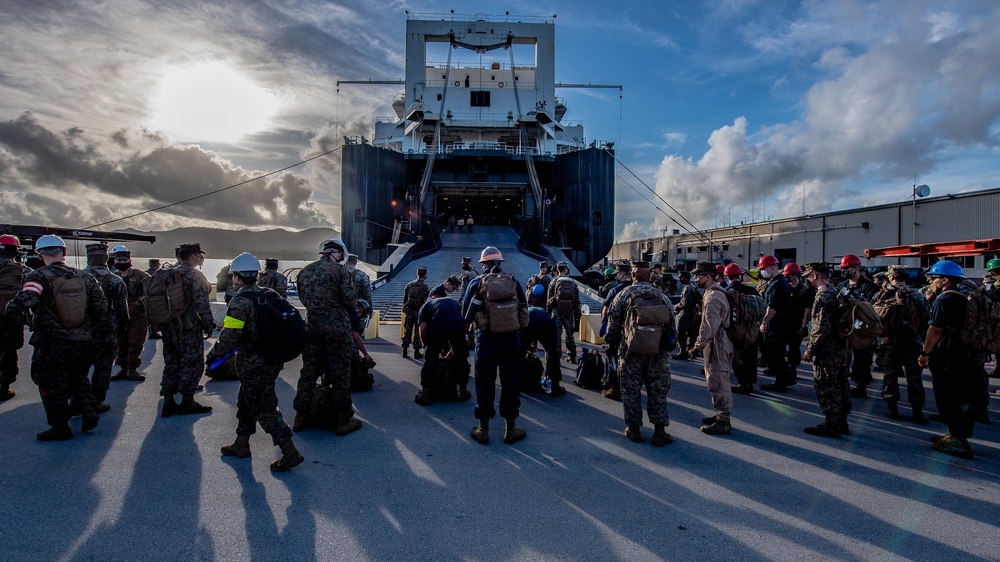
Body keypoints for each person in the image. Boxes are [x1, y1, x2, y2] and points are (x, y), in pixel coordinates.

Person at [206, 252, 303, 472]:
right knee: (246, 399)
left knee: (264, 407)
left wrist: (213, 356)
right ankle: (241, 443)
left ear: (237, 278)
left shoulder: (240, 302)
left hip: (253, 363)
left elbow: (229, 338)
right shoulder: (269, 294)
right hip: (272, 359)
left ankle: (290, 452)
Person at [4, 235, 107, 440]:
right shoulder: (84, 277)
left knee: (48, 382)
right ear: (64, 252)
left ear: (40, 254)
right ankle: (87, 409)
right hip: (82, 339)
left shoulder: (38, 277)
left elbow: (28, 300)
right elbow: (101, 306)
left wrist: (11, 311)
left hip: (51, 341)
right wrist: (84, 326)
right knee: (78, 375)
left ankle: (60, 427)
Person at [292, 239, 361, 435]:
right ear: (338, 254)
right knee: (340, 372)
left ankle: (300, 416)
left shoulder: (305, 271)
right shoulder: (340, 272)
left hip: (312, 327)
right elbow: (350, 300)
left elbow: (303, 299)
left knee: (309, 371)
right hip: (336, 329)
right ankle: (343, 418)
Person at [462, 246, 529, 445]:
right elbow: (524, 309)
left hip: (487, 339)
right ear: (500, 263)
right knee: (511, 382)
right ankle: (511, 428)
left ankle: (483, 429)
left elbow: (465, 313)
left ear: (484, 265)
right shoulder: (513, 282)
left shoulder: (476, 282)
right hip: (511, 339)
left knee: (485, 382)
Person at [605, 260, 675, 446]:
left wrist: (611, 346)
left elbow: (613, 325)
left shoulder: (623, 295)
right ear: (649, 274)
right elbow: (672, 324)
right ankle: (660, 431)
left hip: (630, 352)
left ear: (633, 275)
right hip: (657, 353)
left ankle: (634, 429)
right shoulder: (661, 296)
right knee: (657, 390)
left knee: (630, 390)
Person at [918, 261, 978, 459]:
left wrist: (925, 353)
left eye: (934, 278)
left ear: (945, 280)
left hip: (948, 356)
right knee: (961, 395)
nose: (931, 281)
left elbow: (935, 329)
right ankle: (955, 435)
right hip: (966, 355)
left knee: (947, 395)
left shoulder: (943, 301)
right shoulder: (963, 298)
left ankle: (959, 441)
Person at [157, 244, 215, 417]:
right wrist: (208, 324)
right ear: (194, 257)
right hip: (188, 327)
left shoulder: (167, 273)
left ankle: (168, 401)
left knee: (171, 362)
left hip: (168, 326)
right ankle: (187, 401)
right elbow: (202, 303)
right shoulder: (194, 275)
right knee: (193, 363)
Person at [801, 263, 852, 438]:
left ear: (815, 275)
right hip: (842, 349)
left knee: (826, 386)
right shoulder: (837, 291)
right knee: (841, 384)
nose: (808, 280)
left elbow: (820, 329)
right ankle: (842, 421)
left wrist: (810, 349)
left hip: (828, 351)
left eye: (809, 276)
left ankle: (831, 424)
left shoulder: (822, 297)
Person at [81, 243, 129, 414]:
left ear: (89, 257)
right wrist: (122, 327)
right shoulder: (115, 280)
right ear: (107, 258)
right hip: (106, 329)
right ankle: (97, 401)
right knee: (103, 367)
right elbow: (122, 309)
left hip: (80, 329)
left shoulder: (77, 277)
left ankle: (80, 399)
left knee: (79, 367)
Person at [692, 261, 734, 435]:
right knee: (715, 380)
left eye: (698, 276)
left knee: (719, 381)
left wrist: (697, 346)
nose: (696, 279)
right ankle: (720, 415)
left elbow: (710, 325)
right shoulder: (714, 293)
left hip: (718, 344)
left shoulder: (713, 297)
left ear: (707, 277)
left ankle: (723, 421)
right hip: (719, 343)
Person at [836, 254, 881, 398]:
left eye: (846, 268)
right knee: (843, 358)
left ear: (856, 268)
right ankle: (843, 382)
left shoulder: (870, 287)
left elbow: (873, 310)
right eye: (842, 268)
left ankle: (861, 386)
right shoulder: (841, 286)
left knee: (862, 359)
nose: (843, 271)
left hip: (862, 330)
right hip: (845, 328)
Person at [415, 293, 471, 405]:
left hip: (438, 327)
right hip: (458, 327)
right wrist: (453, 351)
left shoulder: (425, 307)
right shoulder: (454, 302)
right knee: (462, 359)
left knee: (430, 360)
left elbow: (423, 330)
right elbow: (460, 323)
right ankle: (463, 391)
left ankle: (425, 393)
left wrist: (427, 345)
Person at [110, 245, 150, 382]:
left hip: (138, 315)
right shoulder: (113, 277)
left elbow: (149, 291)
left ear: (129, 260)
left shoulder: (140, 275)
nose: (121, 263)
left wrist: (137, 304)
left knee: (135, 342)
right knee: (121, 343)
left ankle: (132, 369)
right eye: (119, 261)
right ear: (115, 262)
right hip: (120, 316)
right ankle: (123, 368)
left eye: (124, 260)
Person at [757, 255, 794, 392]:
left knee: (775, 352)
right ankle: (784, 376)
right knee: (777, 351)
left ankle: (781, 381)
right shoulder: (779, 282)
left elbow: (772, 307)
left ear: (773, 268)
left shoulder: (777, 284)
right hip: (781, 322)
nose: (762, 272)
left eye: (764, 269)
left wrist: (764, 322)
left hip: (776, 323)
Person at [724, 264, 760, 395]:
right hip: (752, 329)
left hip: (735, 330)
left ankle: (742, 382)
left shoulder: (726, 292)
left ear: (727, 277)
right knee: (751, 356)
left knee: (738, 356)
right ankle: (750, 382)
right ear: (740, 276)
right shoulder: (752, 290)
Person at [0, 234, 27, 401]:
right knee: (9, 352)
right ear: (16, 251)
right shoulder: (22, 271)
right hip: (11, 321)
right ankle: (4, 386)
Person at [521, 306, 566, 397]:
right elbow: (550, 350)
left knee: (520, 354)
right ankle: (555, 387)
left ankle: (518, 384)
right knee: (552, 354)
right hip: (547, 324)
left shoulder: (526, 313)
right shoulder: (544, 315)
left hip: (528, 325)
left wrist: (528, 346)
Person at [784, 263, 814, 385]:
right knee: (783, 347)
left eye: (789, 275)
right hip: (786, 321)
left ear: (795, 275)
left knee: (794, 348)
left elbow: (808, 310)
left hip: (797, 323)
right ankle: (786, 367)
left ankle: (793, 368)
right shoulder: (786, 288)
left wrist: (804, 324)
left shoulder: (805, 291)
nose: (787, 278)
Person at [547, 261, 581, 363]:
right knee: (569, 335)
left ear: (557, 270)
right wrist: (577, 316)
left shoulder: (553, 282)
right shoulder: (573, 283)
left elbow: (549, 301)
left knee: (557, 335)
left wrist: (548, 314)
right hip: (569, 313)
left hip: (556, 312)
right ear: (566, 269)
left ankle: (556, 357)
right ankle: (572, 356)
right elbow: (577, 301)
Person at [401, 266, 430, 359]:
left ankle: (404, 350)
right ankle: (416, 352)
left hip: (409, 310)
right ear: (425, 275)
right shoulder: (425, 286)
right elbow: (428, 300)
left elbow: (405, 299)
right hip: (419, 311)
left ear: (417, 274)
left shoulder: (410, 284)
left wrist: (405, 309)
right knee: (417, 331)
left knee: (407, 329)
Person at [672, 270, 701, 360]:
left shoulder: (688, 288)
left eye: (682, 278)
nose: (681, 279)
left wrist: (678, 306)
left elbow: (686, 302)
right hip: (692, 313)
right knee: (690, 333)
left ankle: (683, 351)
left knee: (681, 332)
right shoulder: (693, 287)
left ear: (687, 278)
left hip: (685, 313)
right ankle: (689, 350)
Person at [146, 259, 163, 339]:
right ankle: (153, 332)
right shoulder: (157, 274)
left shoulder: (145, 273)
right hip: (155, 298)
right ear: (156, 265)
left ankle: (152, 330)